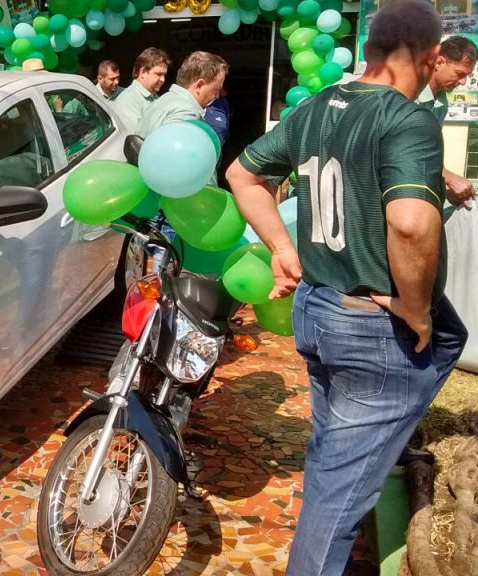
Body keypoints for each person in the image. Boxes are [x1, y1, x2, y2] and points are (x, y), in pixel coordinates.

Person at [225, 1, 468, 574]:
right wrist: (413, 306)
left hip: (319, 308)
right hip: (369, 323)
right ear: (432, 56)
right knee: (336, 499)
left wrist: (284, 250)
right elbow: (410, 223)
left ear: (368, 49)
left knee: (336, 447)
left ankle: (360, 462)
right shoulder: (409, 120)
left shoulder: (312, 108)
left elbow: (242, 174)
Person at [417, 35, 477, 207]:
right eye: (459, 74)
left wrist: (444, 187)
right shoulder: (410, 94)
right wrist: (448, 177)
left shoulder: (442, 100)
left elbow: (430, 149)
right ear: (439, 63)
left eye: (467, 76)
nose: (463, 81)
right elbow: (407, 152)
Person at [136, 51, 227, 141]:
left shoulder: (165, 100)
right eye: (216, 90)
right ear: (199, 85)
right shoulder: (186, 113)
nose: (217, 96)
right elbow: (173, 154)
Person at [111, 47, 171, 133]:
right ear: (142, 72)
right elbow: (136, 141)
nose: (163, 79)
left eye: (164, 75)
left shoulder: (154, 97)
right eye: (158, 74)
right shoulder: (128, 101)